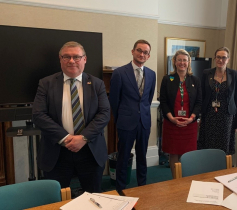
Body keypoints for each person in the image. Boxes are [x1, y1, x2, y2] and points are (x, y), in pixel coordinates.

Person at [32, 41, 110, 192]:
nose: (72, 61)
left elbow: (104, 114)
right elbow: (39, 115)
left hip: (90, 151)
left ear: (85, 59)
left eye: (76, 57)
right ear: (60, 59)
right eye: (66, 57)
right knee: (56, 199)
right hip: (57, 152)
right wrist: (66, 138)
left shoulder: (97, 84)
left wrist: (83, 138)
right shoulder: (46, 83)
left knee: (92, 196)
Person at [109, 39, 156, 194]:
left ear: (148, 56)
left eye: (145, 52)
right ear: (133, 51)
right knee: (123, 157)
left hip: (144, 122)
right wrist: (121, 118)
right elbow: (114, 101)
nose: (142, 54)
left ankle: (142, 186)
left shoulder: (151, 74)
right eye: (139, 50)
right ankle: (121, 188)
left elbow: (147, 100)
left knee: (142, 155)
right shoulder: (119, 73)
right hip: (126, 123)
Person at [160, 49, 202, 178]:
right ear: (174, 62)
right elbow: (163, 101)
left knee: (187, 154)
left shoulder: (195, 80)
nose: (182, 62)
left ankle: (185, 180)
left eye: (185, 60)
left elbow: (199, 102)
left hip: (189, 124)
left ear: (189, 62)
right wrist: (171, 118)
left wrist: (192, 118)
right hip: (172, 123)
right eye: (179, 60)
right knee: (174, 153)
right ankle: (175, 181)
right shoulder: (167, 79)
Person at [198, 47, 237, 155]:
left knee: (224, 146)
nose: (221, 60)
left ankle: (223, 171)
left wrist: (236, 121)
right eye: (218, 57)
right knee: (208, 144)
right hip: (210, 115)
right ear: (215, 58)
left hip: (226, 116)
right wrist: (201, 116)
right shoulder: (207, 73)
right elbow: (202, 95)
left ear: (228, 59)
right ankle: (208, 170)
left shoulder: (234, 74)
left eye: (224, 58)